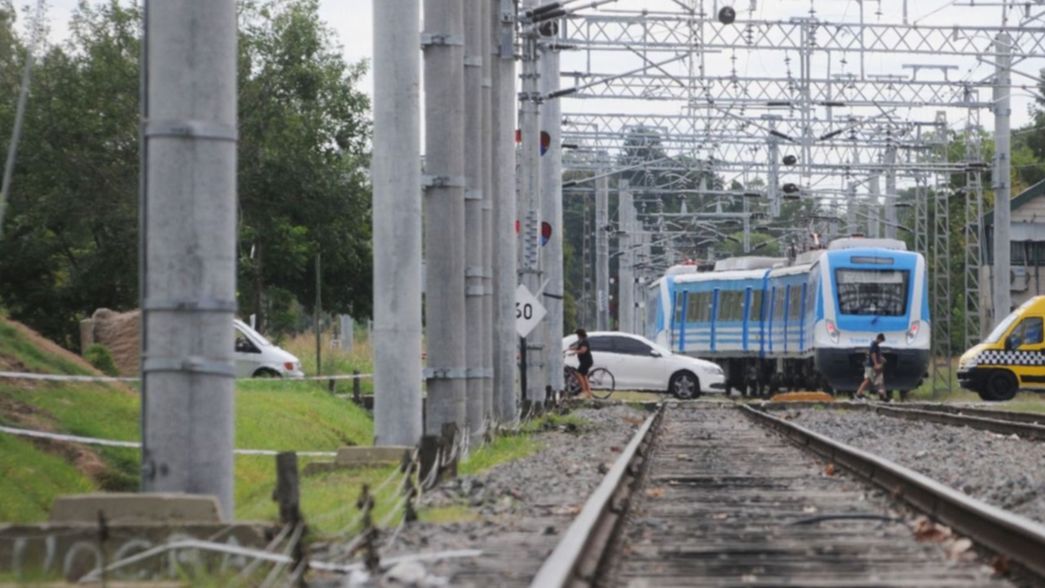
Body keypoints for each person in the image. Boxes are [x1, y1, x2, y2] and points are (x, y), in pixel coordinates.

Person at [855, 333, 887, 400]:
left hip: (874, 366)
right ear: (879, 339)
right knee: (868, 380)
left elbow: (877, 355)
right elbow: (873, 354)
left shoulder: (876, 346)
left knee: (879, 381)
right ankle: (858, 394)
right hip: (871, 366)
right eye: (881, 341)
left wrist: (881, 358)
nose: (881, 342)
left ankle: (883, 396)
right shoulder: (874, 344)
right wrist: (875, 364)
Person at [566, 328, 594, 399]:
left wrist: (574, 352)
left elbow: (583, 350)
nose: (577, 336)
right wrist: (569, 349)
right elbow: (578, 347)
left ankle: (584, 391)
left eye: (577, 334)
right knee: (584, 376)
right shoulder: (582, 341)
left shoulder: (584, 341)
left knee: (578, 373)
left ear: (580, 335)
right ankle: (589, 392)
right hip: (585, 361)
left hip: (586, 361)